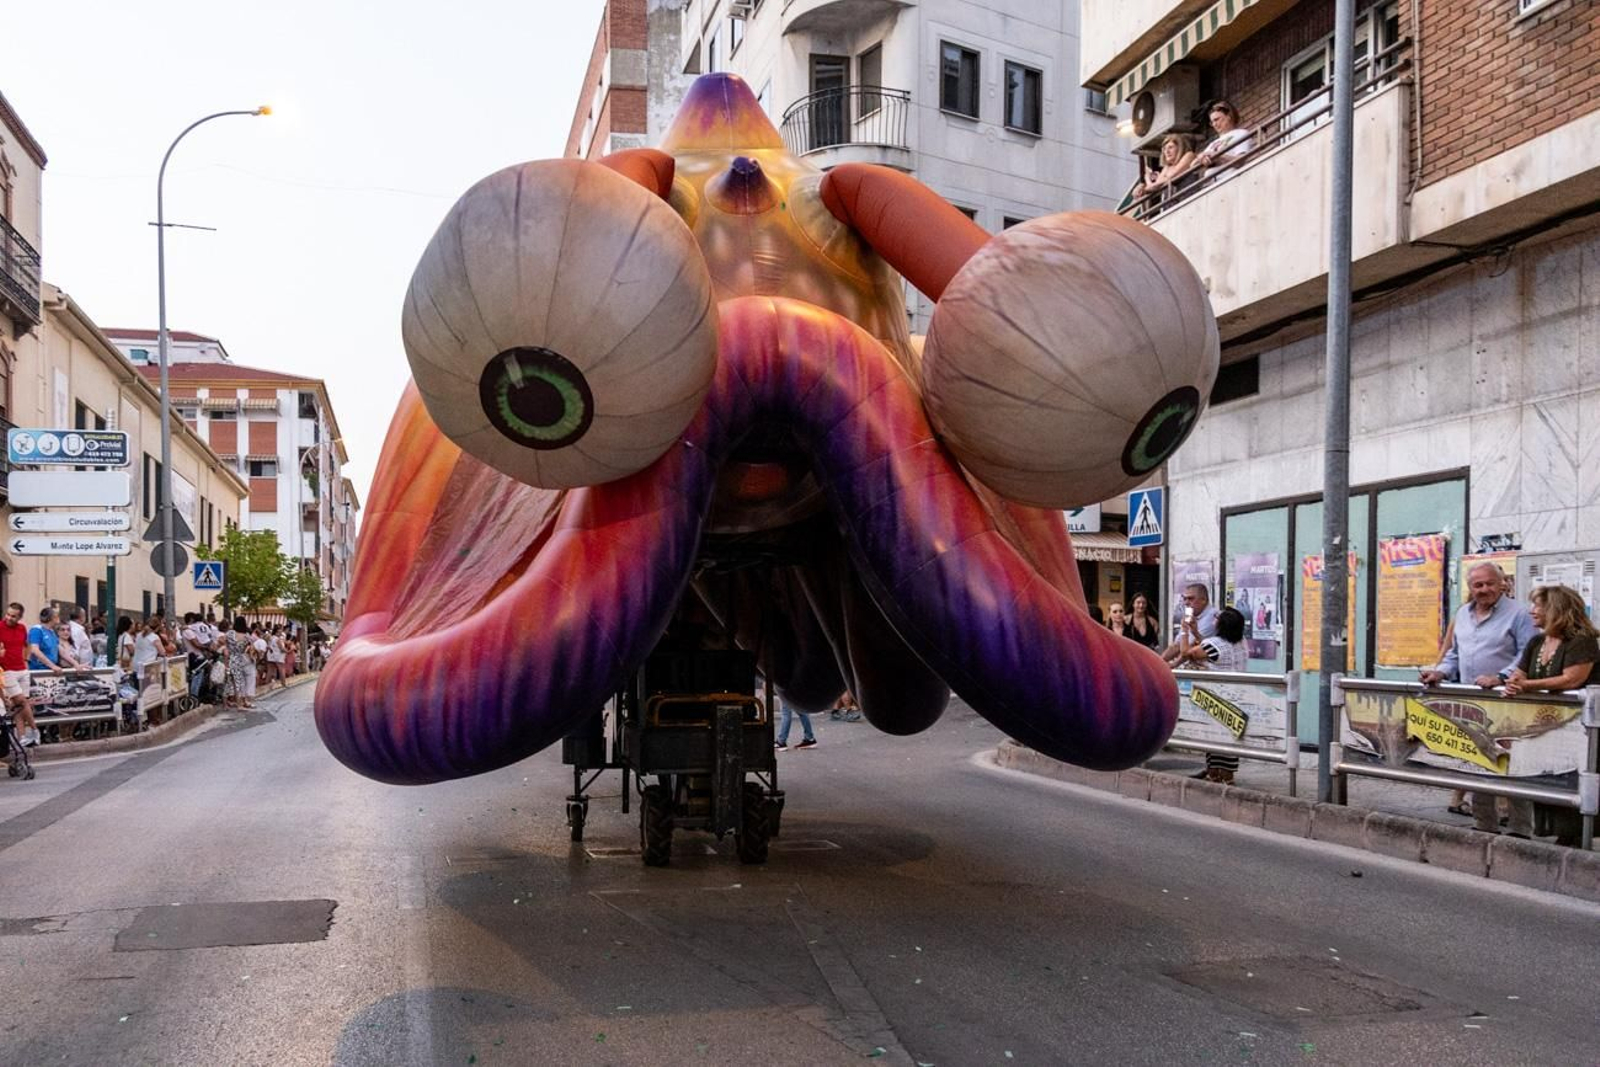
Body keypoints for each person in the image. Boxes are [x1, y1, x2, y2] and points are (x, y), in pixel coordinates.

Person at [1495, 585, 1599, 838]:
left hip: (1580, 730)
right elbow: (1520, 672)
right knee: (1546, 778)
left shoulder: (1581, 640)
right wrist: (1513, 684)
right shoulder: (1537, 641)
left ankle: (1574, 838)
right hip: (1548, 727)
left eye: (1538, 606)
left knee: (1573, 780)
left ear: (1556, 609)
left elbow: (1572, 679)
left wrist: (1526, 686)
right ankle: (1553, 832)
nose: (1532, 612)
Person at [1174, 605, 1248, 783]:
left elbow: (1187, 653)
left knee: (1216, 737)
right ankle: (1218, 772)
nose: (1214, 619)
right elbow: (1209, 647)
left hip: (1217, 695)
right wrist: (1197, 633)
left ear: (1223, 624)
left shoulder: (1214, 645)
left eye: (1217, 617)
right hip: (1237, 695)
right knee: (1229, 737)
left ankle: (1220, 774)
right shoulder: (1240, 641)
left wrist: (1184, 631)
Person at [1, 602, 40, 747]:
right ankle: (35, 730)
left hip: (22, 669)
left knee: (19, 706)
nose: (9, 618)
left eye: (13, 616)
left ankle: (22, 736)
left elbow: (26, 645)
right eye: (8, 614)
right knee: (22, 701)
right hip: (7, 670)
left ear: (20, 617)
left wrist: (26, 660)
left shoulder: (22, 628)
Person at [1163, 584, 1219, 665]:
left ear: (1203, 600)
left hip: (1210, 670)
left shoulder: (1212, 618)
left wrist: (1173, 665)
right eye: (1184, 599)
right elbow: (1176, 645)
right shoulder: (1191, 615)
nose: (1186, 603)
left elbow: (1188, 651)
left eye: (1190, 599)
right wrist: (1158, 663)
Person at [1195, 100, 1255, 173]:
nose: (1214, 124)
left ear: (1229, 116)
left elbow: (1240, 161)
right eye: (1212, 122)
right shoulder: (1213, 143)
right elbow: (1193, 168)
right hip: (1212, 182)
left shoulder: (1241, 133)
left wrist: (1218, 156)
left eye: (1217, 120)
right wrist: (1200, 157)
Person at [1141, 133, 1197, 209]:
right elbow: (1156, 185)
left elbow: (1172, 176)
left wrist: (1149, 185)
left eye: (1170, 147)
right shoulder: (1167, 167)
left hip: (1188, 200)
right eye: (1164, 149)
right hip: (1172, 206)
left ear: (1179, 148)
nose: (1167, 151)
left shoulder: (1189, 155)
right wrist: (1147, 178)